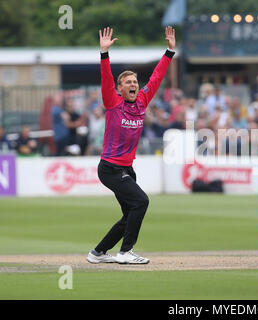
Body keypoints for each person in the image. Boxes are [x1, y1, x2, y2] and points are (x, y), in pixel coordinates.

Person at [86, 26, 176, 265]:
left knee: (130, 213)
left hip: (127, 169)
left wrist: (169, 51)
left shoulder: (143, 99)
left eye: (135, 81)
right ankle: (126, 252)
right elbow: (106, 79)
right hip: (110, 168)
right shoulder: (112, 101)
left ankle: (97, 253)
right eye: (128, 82)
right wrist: (104, 54)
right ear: (120, 88)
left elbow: (157, 76)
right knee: (141, 202)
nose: (133, 84)